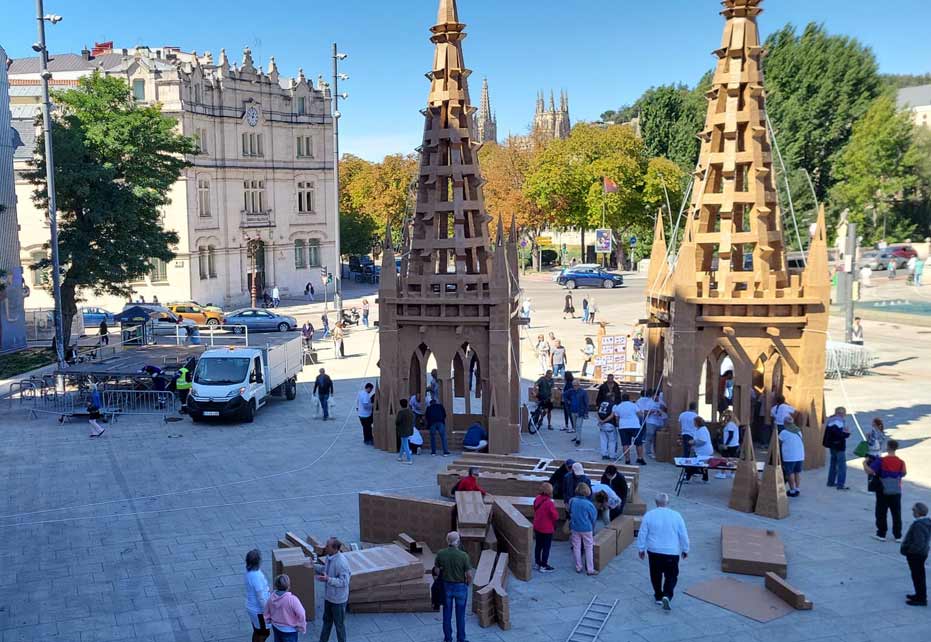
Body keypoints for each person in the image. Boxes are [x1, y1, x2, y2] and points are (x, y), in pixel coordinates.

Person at [637, 493, 690, 611]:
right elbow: (683, 534)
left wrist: (641, 548)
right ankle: (667, 594)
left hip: (654, 551)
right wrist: (685, 549)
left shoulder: (649, 515)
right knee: (671, 575)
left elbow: (642, 533)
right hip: (671, 552)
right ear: (668, 503)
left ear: (656, 503)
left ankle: (658, 596)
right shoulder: (676, 515)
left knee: (655, 574)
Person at [434, 531, 473, 642]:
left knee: (447, 614)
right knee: (460, 615)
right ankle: (461, 639)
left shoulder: (441, 554)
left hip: (446, 587)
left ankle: (448, 639)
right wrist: (467, 584)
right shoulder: (464, 556)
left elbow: (436, 571)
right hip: (460, 587)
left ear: (447, 541)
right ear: (458, 542)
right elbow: (469, 575)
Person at [865, 439, 907, 542]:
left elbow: (870, 471)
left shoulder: (881, 461)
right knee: (896, 513)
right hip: (896, 490)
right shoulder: (901, 462)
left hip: (882, 490)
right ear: (896, 448)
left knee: (881, 512)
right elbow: (904, 473)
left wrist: (864, 463)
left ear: (888, 448)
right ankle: (898, 535)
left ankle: (881, 534)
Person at [315, 537, 351, 642]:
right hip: (329, 597)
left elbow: (344, 582)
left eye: (327, 546)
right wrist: (313, 566)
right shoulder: (329, 557)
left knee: (339, 625)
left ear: (335, 549)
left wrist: (328, 579)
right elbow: (324, 569)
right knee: (326, 622)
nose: (325, 547)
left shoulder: (342, 563)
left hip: (338, 600)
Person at [901, 502, 931, 607]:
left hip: (916, 554)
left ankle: (921, 598)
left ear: (918, 512)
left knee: (918, 576)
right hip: (922, 552)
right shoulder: (926, 522)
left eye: (914, 510)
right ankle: (919, 595)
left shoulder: (919, 525)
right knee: (918, 575)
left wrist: (909, 550)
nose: (913, 512)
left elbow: (919, 542)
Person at [263, 574, 306, 642]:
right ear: (288, 586)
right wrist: (301, 626)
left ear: (276, 585)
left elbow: (266, 611)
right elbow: (302, 614)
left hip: (276, 627)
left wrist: (268, 620)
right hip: (289, 630)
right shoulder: (292, 599)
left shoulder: (271, 598)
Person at [568, 483, 598, 575]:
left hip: (575, 527)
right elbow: (593, 517)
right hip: (586, 528)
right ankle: (590, 569)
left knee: (576, 547)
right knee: (588, 548)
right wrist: (593, 526)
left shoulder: (572, 501)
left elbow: (570, 512)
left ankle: (578, 567)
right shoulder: (589, 504)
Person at [244, 549, 271, 642]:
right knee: (264, 633)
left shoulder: (249, 571)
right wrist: (267, 611)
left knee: (257, 631)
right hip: (258, 610)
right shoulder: (256, 576)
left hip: (253, 608)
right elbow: (260, 597)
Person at [533, 482, 558, 573]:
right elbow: (555, 516)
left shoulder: (537, 499)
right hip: (547, 529)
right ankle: (544, 565)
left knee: (538, 546)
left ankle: (537, 563)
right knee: (546, 547)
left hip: (537, 526)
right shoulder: (549, 503)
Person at [613, 393, 645, 465]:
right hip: (635, 426)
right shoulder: (634, 405)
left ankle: (627, 460)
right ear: (629, 398)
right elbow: (640, 415)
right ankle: (640, 458)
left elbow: (617, 419)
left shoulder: (618, 407)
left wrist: (619, 426)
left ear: (622, 398)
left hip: (623, 426)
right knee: (639, 443)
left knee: (625, 444)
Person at [824, 407, 851, 489]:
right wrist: (847, 433)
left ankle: (830, 482)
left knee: (833, 463)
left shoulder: (831, 420)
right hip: (839, 446)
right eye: (843, 413)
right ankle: (840, 485)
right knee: (842, 466)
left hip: (832, 446)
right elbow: (839, 435)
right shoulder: (838, 421)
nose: (843, 415)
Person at [779, 420, 805, 497]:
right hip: (800, 455)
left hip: (789, 456)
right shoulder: (798, 431)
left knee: (790, 473)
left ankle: (792, 490)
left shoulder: (784, 432)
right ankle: (797, 489)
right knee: (797, 472)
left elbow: (777, 442)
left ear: (785, 423)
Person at [685, 417, 713, 483]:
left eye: (694, 422)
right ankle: (705, 479)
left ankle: (688, 478)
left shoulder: (702, 430)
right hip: (703, 450)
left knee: (693, 464)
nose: (693, 423)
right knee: (703, 465)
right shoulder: (701, 429)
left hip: (703, 451)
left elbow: (702, 441)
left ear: (697, 422)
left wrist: (693, 442)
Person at [567, 379, 589, 447]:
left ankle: (578, 439)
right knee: (575, 426)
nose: (574, 387)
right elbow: (565, 396)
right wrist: (568, 401)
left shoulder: (583, 392)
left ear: (579, 385)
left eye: (576, 385)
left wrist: (586, 413)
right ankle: (577, 436)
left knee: (578, 426)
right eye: (573, 385)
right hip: (573, 411)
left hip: (580, 411)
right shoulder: (571, 391)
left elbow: (586, 403)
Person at [597, 393, 618, 460]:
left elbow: (597, 413)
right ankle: (612, 456)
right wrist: (605, 421)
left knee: (603, 440)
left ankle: (604, 454)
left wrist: (600, 421)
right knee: (612, 441)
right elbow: (612, 415)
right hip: (610, 424)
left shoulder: (602, 403)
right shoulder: (613, 404)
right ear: (612, 397)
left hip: (602, 425)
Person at [396, 398, 414, 465]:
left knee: (405, 444)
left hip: (403, 430)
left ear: (400, 405)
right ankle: (400, 457)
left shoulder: (401, 412)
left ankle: (409, 459)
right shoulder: (410, 412)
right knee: (403, 443)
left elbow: (397, 421)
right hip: (409, 430)